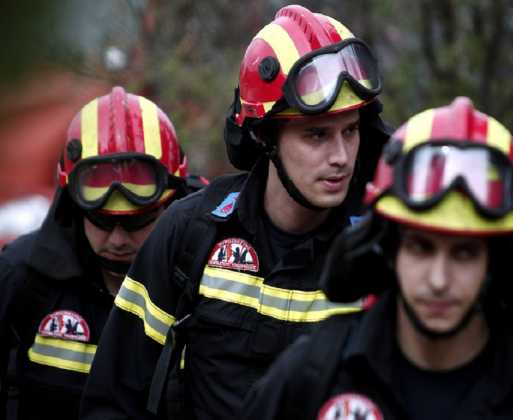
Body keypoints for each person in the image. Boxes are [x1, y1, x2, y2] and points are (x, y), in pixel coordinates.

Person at [80, 4, 390, 420]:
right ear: (265, 136)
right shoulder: (192, 232)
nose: (340, 157)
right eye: (316, 134)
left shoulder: (381, 249)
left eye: (350, 131)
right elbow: (112, 398)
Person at [241, 97, 513, 419]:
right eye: (421, 248)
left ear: (494, 261)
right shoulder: (314, 375)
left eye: (464, 253)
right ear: (390, 248)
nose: (438, 280)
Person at [0, 86, 202, 420]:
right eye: (101, 221)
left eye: (137, 221)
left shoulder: (212, 277)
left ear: (171, 205)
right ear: (74, 205)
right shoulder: (19, 278)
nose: (119, 240)